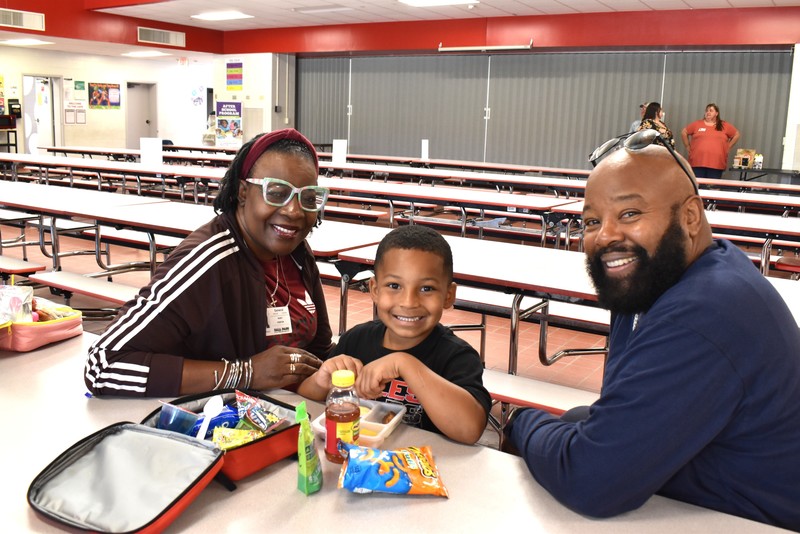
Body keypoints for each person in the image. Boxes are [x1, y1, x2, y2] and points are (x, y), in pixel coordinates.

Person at [504, 133, 800, 531]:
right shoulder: (668, 276)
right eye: (592, 221)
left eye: (629, 214)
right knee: (575, 418)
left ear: (690, 217)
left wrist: (520, 422)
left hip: (755, 520)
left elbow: (591, 481)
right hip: (721, 483)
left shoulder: (703, 313)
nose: (605, 235)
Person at [85, 128, 334, 397]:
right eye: (276, 192)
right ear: (242, 192)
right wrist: (245, 372)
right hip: (217, 426)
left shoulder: (297, 254)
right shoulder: (208, 262)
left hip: (291, 417)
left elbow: (319, 351)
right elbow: (101, 367)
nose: (294, 210)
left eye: (308, 198)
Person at [298, 225, 491, 445]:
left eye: (426, 288)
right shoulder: (356, 340)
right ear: (375, 290)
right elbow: (306, 400)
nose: (409, 302)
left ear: (448, 296)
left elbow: (470, 429)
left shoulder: (457, 356)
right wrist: (321, 379)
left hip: (423, 468)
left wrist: (404, 363)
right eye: (394, 285)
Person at [680, 103, 740, 178]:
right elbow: (684, 132)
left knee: (713, 187)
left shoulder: (724, 125)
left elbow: (736, 134)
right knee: (697, 186)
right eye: (706, 111)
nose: (708, 112)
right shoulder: (697, 124)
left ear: (716, 113)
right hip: (697, 162)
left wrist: (728, 147)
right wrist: (687, 146)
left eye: (711, 111)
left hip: (716, 163)